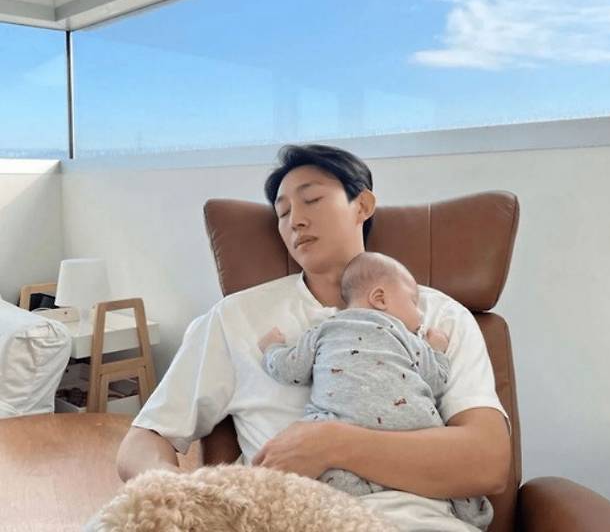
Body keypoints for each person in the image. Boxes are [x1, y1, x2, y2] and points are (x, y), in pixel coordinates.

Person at [116, 144, 511, 532]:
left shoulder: (439, 317)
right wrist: (184, 498)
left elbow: (488, 462)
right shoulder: (236, 318)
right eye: (283, 213)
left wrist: (332, 443)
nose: (296, 221)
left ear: (362, 205)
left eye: (312, 200)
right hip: (283, 519)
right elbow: (145, 438)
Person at [259, 251, 494, 530]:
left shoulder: (323, 330)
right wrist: (437, 349)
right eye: (413, 301)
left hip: (338, 446)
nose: (420, 314)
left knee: (318, 486)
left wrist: (272, 348)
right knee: (452, 477)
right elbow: (436, 379)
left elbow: (290, 370)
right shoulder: (405, 335)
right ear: (380, 298)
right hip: (411, 430)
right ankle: (471, 512)